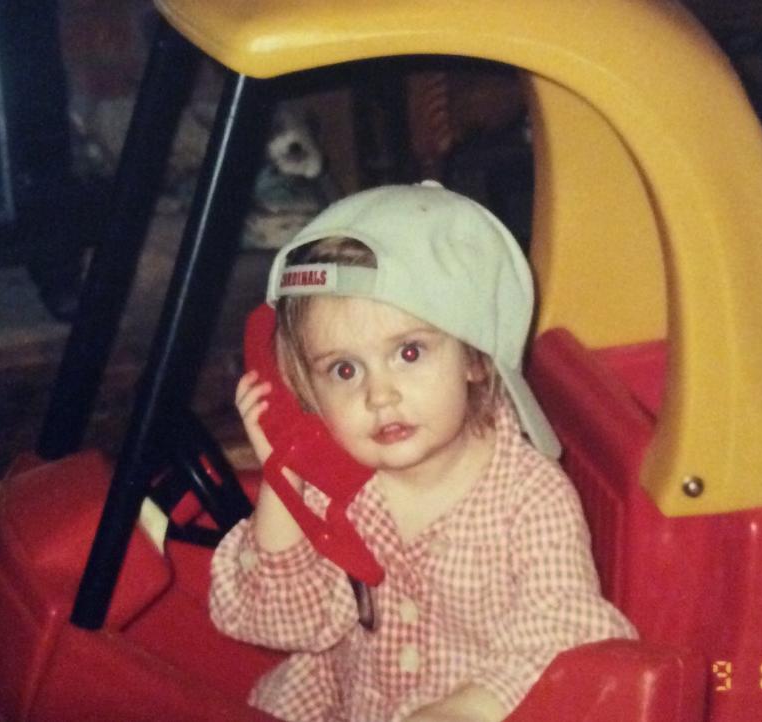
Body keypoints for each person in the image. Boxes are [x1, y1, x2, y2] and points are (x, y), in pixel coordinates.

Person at [210, 181, 636, 722]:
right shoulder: (332, 484)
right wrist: (283, 472)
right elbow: (282, 622)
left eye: (409, 352)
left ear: (476, 358)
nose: (379, 395)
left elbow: (565, 626)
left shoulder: (531, 496)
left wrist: (465, 709)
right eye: (344, 369)